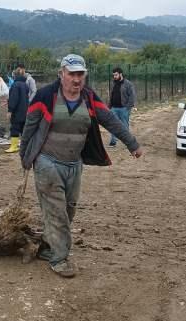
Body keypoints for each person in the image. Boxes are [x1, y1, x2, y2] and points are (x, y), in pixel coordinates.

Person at [19, 54, 144, 278]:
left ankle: (48, 246)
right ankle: (59, 259)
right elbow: (30, 126)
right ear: (61, 74)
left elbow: (111, 120)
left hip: (73, 164)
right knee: (56, 211)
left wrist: (132, 143)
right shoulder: (46, 96)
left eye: (80, 74)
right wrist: (25, 157)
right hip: (47, 162)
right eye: (72, 74)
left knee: (69, 208)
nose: (76, 79)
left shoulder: (88, 97)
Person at [107, 67, 136, 147]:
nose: (114, 77)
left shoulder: (128, 84)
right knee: (113, 125)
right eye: (113, 75)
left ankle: (127, 142)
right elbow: (111, 95)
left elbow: (132, 96)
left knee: (124, 126)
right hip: (114, 108)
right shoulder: (113, 83)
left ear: (120, 74)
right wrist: (109, 106)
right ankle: (113, 142)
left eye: (116, 75)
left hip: (124, 109)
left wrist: (128, 107)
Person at [5, 69, 28, 153]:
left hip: (17, 112)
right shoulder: (25, 85)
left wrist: (10, 110)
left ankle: (14, 146)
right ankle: (25, 146)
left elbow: (14, 99)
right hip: (25, 110)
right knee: (23, 129)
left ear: (15, 76)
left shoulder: (15, 85)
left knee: (14, 128)